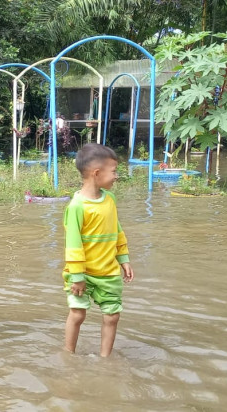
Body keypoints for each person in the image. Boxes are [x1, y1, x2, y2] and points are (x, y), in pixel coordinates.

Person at [62, 143, 135, 357]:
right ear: (96, 173)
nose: (116, 176)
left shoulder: (110, 200)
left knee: (112, 316)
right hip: (82, 274)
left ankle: (105, 360)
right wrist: (77, 276)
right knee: (78, 314)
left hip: (108, 272)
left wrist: (124, 258)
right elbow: (73, 244)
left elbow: (117, 231)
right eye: (113, 171)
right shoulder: (76, 207)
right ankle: (68, 355)